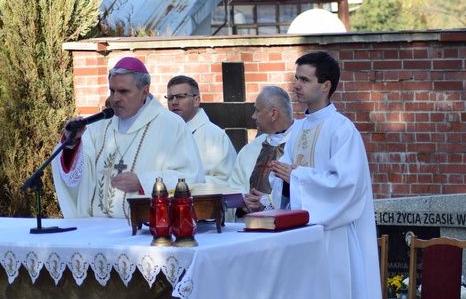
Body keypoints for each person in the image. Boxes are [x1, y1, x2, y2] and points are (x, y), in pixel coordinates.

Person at [267, 51, 384, 299]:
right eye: (296, 78)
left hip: (332, 247)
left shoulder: (342, 129)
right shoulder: (297, 130)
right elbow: (285, 184)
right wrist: (275, 189)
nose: (296, 85)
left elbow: (347, 189)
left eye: (303, 79)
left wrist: (296, 178)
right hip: (300, 250)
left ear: (326, 85)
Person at [52, 57, 204, 219]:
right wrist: (71, 143)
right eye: (112, 90)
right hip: (96, 227)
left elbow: (191, 177)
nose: (115, 98)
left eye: (123, 91)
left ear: (144, 92)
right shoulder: (99, 126)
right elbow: (76, 173)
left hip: (145, 227)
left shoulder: (171, 125)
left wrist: (143, 182)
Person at [228, 85, 295, 215]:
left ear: (273, 114)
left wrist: (268, 202)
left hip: (287, 226)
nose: (253, 116)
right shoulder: (250, 150)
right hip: (250, 226)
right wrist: (243, 202)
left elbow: (307, 189)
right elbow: (234, 187)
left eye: (257, 111)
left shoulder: (301, 144)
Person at [166, 75, 236, 185]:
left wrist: (181, 184)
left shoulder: (215, 137)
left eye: (181, 96)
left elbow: (227, 180)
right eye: (170, 98)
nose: (174, 102)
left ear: (196, 101)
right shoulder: (164, 134)